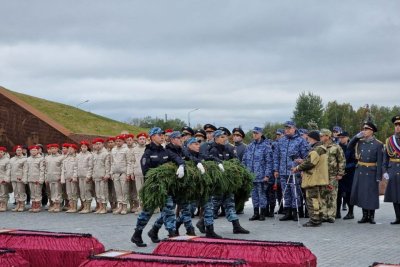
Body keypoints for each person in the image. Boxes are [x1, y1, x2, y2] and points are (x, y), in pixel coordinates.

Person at [131, 127, 185, 247]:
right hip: (153, 188)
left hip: (166, 187)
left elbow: (176, 159)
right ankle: (137, 234)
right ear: (152, 136)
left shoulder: (165, 151)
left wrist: (181, 165)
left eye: (162, 135)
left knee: (169, 210)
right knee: (147, 212)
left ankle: (172, 234)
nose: (162, 136)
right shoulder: (147, 153)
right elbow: (147, 173)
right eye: (159, 134)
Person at [207, 129, 249, 234]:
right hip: (218, 184)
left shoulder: (227, 149)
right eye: (221, 137)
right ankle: (204, 224)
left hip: (228, 183)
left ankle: (236, 226)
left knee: (230, 204)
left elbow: (235, 160)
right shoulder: (213, 150)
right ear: (216, 139)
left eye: (225, 137)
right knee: (214, 206)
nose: (224, 138)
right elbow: (212, 166)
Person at [273, 121, 309, 221]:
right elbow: (276, 156)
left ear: (294, 129)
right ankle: (287, 212)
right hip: (283, 171)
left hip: (295, 172)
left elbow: (306, 157)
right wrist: (276, 169)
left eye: (289, 128)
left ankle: (295, 212)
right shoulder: (281, 141)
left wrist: (302, 168)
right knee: (286, 193)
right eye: (286, 128)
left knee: (295, 193)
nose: (287, 130)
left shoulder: (301, 141)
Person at [348, 121, 383, 224]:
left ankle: (371, 216)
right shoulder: (360, 142)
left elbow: (380, 161)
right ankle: (364, 216)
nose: (364, 131)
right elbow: (349, 147)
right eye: (363, 129)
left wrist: (379, 176)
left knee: (371, 194)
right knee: (362, 193)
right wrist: (356, 137)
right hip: (361, 170)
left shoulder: (378, 144)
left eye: (366, 129)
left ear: (372, 131)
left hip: (372, 171)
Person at [292, 130, 329, 227]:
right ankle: (318, 218)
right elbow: (313, 161)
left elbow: (310, 163)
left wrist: (297, 168)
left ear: (312, 138)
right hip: (319, 178)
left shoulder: (316, 149)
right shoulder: (320, 148)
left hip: (313, 179)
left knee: (312, 200)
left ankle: (314, 220)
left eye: (308, 138)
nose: (307, 140)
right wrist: (303, 161)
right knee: (317, 199)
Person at [242, 127, 273, 221]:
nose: (254, 134)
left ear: (261, 134)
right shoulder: (250, 146)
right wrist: (245, 173)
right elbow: (244, 160)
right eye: (253, 133)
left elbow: (269, 162)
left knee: (262, 195)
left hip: (261, 176)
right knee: (254, 196)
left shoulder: (266, 147)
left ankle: (262, 214)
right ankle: (255, 213)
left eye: (256, 133)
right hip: (251, 176)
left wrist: (267, 175)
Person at [319, 129, 345, 223]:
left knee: (332, 195)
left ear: (327, 136)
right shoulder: (319, 147)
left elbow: (341, 160)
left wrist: (340, 173)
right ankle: (323, 215)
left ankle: (331, 215)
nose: (320, 137)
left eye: (322, 136)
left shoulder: (336, 147)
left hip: (333, 175)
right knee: (322, 195)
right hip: (322, 175)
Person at [383, 115, 400, 224]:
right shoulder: (389, 140)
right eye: (396, 125)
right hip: (393, 169)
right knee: (395, 194)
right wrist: (385, 171)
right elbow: (385, 157)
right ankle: (398, 217)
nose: (398, 127)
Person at [110, 135, 132, 215]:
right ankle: (120, 206)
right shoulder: (113, 150)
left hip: (123, 172)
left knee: (124, 190)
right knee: (118, 191)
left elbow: (129, 162)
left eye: (120, 141)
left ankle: (125, 206)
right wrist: (111, 172)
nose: (118, 142)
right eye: (117, 141)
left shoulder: (126, 150)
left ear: (123, 141)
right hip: (115, 173)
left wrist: (128, 173)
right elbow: (112, 162)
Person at [337, 131, 357, 220]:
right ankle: (337, 212)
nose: (341, 139)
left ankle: (350, 212)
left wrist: (344, 167)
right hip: (338, 174)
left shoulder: (352, 147)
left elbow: (355, 162)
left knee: (348, 194)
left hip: (349, 174)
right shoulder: (337, 147)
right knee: (338, 193)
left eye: (342, 137)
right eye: (339, 137)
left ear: (347, 137)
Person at [92, 138, 110, 214]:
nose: (98, 145)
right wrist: (93, 175)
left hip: (103, 175)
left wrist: (107, 174)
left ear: (103, 144)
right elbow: (93, 166)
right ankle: (100, 207)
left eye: (99, 144)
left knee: (103, 192)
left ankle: (104, 208)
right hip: (96, 175)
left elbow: (107, 165)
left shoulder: (106, 153)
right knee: (98, 192)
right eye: (96, 144)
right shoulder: (95, 154)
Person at [45, 144, 64, 212]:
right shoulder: (47, 158)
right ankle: (53, 204)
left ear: (57, 149)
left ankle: (58, 204)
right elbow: (46, 169)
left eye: (54, 148)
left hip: (57, 177)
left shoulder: (61, 157)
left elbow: (63, 169)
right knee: (52, 191)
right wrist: (46, 178)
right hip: (50, 177)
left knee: (58, 191)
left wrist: (61, 177)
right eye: (52, 148)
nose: (53, 149)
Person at [132, 132, 148, 213]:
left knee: (147, 190)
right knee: (139, 190)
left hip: (147, 173)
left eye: (143, 139)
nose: (142, 140)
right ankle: (141, 205)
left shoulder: (148, 148)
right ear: (137, 140)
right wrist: (131, 173)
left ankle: (149, 206)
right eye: (140, 139)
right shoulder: (134, 149)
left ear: (146, 140)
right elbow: (131, 161)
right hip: (137, 172)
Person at [25, 145, 45, 212]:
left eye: (35, 150)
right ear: (30, 151)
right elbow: (26, 170)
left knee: (37, 192)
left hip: (37, 178)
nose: (33, 152)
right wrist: (26, 178)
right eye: (32, 150)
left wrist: (41, 179)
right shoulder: (28, 159)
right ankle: (33, 204)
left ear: (37, 151)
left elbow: (42, 170)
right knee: (32, 192)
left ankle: (38, 205)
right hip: (30, 178)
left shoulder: (41, 159)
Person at [76, 140, 94, 214]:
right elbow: (76, 166)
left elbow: (90, 167)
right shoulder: (78, 155)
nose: (83, 148)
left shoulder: (89, 155)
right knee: (82, 191)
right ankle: (84, 205)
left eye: (85, 147)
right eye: (82, 147)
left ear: (87, 147)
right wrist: (76, 175)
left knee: (87, 191)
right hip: (80, 176)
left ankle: (88, 207)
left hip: (86, 176)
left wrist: (88, 176)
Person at [61, 144, 78, 213]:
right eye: (69, 149)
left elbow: (76, 168)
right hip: (67, 178)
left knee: (74, 192)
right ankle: (71, 206)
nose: (70, 150)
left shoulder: (76, 158)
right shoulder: (66, 158)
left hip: (73, 178)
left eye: (71, 149)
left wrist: (74, 177)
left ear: (75, 150)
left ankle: (74, 207)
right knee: (69, 192)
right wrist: (63, 178)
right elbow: (63, 169)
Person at [10, 145, 27, 212]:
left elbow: (25, 170)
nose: (19, 152)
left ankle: (22, 205)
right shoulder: (12, 159)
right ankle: (18, 204)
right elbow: (10, 169)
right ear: (15, 151)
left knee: (21, 191)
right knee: (15, 191)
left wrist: (23, 178)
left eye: (20, 150)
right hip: (13, 177)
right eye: (17, 150)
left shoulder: (24, 159)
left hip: (20, 178)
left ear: (22, 151)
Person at [0, 147, 11, 212]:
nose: (0, 153)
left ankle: (4, 204)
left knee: (3, 192)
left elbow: (8, 170)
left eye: (1, 152)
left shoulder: (7, 160)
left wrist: (5, 179)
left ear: (4, 152)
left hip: (3, 179)